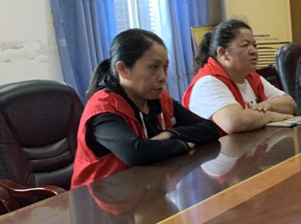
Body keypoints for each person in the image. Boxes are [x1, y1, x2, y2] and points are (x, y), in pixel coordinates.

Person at [72, 29, 219, 189]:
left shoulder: (159, 99)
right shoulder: (103, 108)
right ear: (123, 70)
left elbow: (210, 129)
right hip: (100, 197)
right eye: (153, 67)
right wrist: (184, 144)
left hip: (148, 188)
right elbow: (136, 154)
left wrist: (170, 134)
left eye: (165, 67)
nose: (163, 77)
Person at [183, 19, 295, 133]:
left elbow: (290, 104)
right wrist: (271, 116)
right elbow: (233, 122)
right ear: (223, 53)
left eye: (254, 45)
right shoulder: (207, 83)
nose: (253, 51)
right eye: (245, 45)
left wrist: (269, 105)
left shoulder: (250, 77)